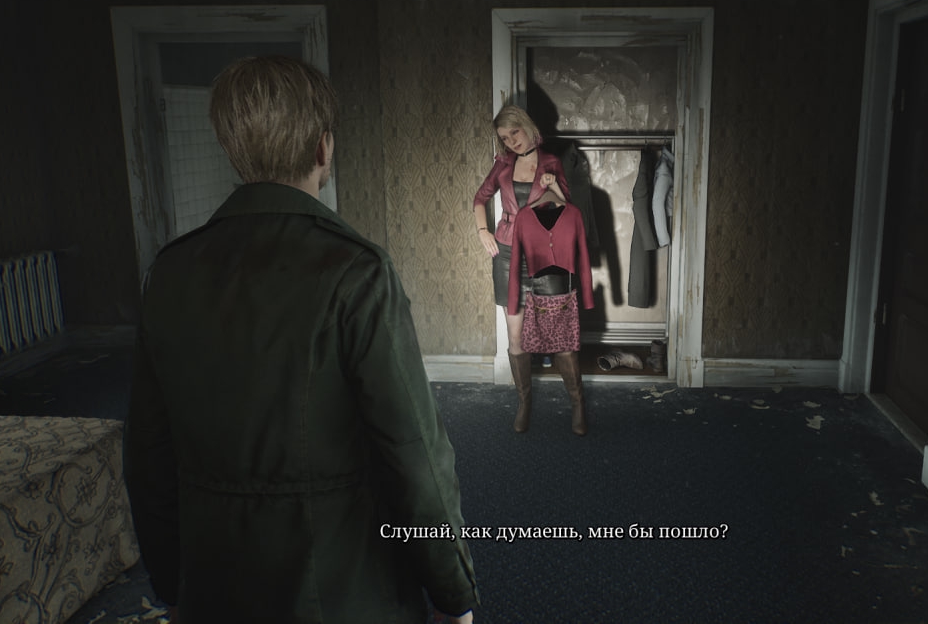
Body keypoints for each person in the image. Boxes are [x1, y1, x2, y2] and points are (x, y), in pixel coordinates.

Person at [123, 55, 477, 624]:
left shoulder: (169, 271)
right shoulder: (357, 270)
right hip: (341, 589)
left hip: (215, 587)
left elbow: (147, 455)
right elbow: (414, 455)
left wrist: (173, 582)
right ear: (323, 148)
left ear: (231, 147)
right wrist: (453, 590)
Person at [472, 105, 571, 433]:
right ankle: (524, 402)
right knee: (515, 338)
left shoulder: (551, 162)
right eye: (504, 137)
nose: (511, 141)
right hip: (507, 255)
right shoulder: (502, 164)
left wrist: (553, 186)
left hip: (544, 254)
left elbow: (567, 209)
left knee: (558, 335)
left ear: (527, 126)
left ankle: (577, 402)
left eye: (514, 132)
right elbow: (480, 198)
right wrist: (483, 231)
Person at [507, 188, 595, 435]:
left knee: (566, 346)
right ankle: (524, 403)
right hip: (533, 290)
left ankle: (578, 403)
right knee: (520, 343)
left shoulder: (574, 214)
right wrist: (513, 300)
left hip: (563, 290)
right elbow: (515, 261)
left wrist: (587, 297)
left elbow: (584, 257)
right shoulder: (524, 217)